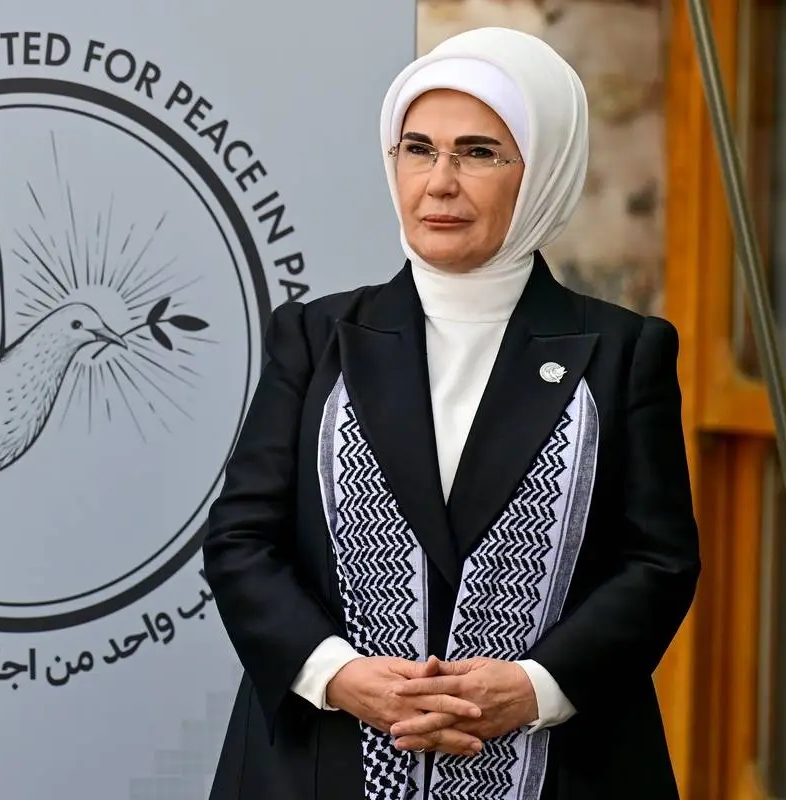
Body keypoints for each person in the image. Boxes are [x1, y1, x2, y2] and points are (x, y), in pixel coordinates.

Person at [201, 26, 700, 800]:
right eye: (418, 149)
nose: (439, 182)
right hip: (324, 762)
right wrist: (339, 674)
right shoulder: (315, 337)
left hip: (562, 768)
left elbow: (657, 563)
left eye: (478, 152)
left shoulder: (623, 352)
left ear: (544, 170)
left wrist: (535, 687)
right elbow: (241, 540)